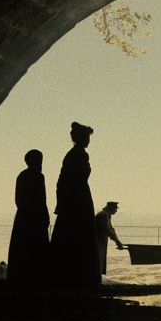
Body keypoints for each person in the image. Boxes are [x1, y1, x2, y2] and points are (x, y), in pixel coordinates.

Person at [49, 122, 98, 287]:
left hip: (73, 200)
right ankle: (80, 274)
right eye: (87, 138)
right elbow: (70, 180)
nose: (88, 141)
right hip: (79, 200)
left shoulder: (72, 154)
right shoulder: (80, 155)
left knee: (68, 236)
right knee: (80, 235)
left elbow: (61, 181)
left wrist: (61, 202)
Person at [7, 150, 49, 285]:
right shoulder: (39, 177)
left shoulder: (22, 176)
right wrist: (44, 215)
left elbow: (18, 200)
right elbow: (42, 199)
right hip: (36, 217)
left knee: (22, 248)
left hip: (23, 217)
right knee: (37, 248)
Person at [93, 201, 125, 277]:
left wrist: (117, 241)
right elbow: (108, 229)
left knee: (99, 259)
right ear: (110, 208)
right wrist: (117, 241)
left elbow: (111, 229)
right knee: (98, 259)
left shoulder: (105, 215)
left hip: (100, 240)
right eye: (115, 209)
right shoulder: (104, 215)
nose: (116, 211)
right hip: (98, 241)